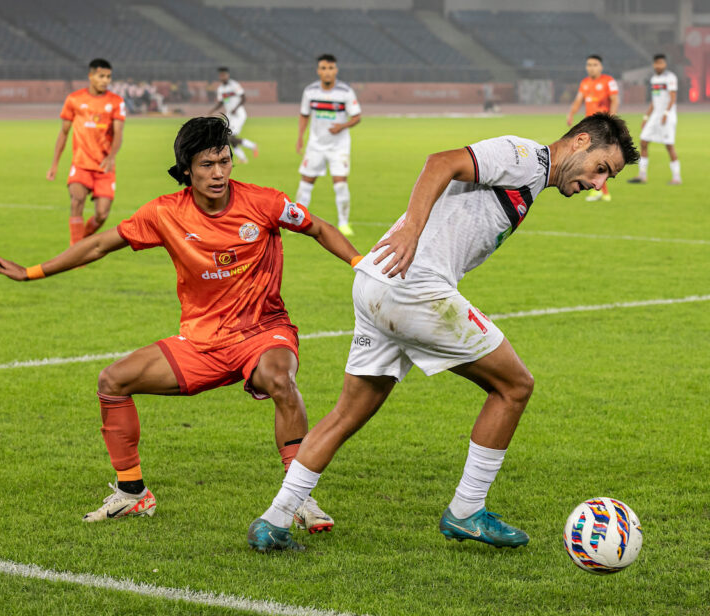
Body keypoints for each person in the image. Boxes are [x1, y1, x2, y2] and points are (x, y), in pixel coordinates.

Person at [247, 113, 639, 553]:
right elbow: (441, 161)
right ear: (581, 141)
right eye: (601, 168)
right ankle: (467, 509)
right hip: (414, 286)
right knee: (514, 386)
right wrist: (412, 228)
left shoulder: (531, 180)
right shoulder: (526, 157)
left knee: (346, 414)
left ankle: (274, 520)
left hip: (378, 282)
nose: (599, 182)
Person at [0, 116, 362, 531]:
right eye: (206, 164)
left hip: (263, 330)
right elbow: (98, 245)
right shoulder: (165, 213)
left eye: (224, 160)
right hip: (201, 341)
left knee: (279, 379)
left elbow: (319, 228)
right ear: (186, 170)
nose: (218, 173)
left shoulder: (264, 202)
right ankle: (133, 494)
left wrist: (360, 264)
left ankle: (298, 499)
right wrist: (32, 272)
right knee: (113, 381)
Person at [47, 58, 126, 246]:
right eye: (101, 76)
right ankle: (75, 251)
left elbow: (118, 133)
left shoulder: (116, 102)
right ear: (91, 76)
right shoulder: (74, 99)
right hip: (81, 164)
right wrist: (55, 164)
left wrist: (111, 157)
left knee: (102, 214)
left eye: (108, 77)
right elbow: (64, 133)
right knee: (77, 200)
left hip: (104, 166)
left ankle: (82, 241)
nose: (105, 80)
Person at [295, 54, 362, 237]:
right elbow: (304, 114)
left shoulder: (345, 92)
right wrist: (300, 137)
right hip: (315, 145)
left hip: (339, 146)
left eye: (330, 68)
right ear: (318, 71)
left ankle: (343, 223)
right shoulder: (310, 91)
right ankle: (296, 221)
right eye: (323, 68)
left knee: (340, 185)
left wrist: (343, 125)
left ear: (336, 70)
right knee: (306, 183)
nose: (327, 72)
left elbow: (357, 117)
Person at [566, 55, 619, 202]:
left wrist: (611, 120)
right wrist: (571, 114)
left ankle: (599, 191)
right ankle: (603, 192)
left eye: (595, 64)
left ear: (601, 67)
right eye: (589, 65)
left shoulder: (608, 81)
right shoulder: (585, 83)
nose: (591, 67)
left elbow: (614, 101)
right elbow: (578, 100)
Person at [628, 54, 682, 185]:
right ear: (654, 64)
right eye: (656, 63)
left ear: (665, 64)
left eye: (661, 63)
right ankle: (642, 175)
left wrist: (666, 113)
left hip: (667, 116)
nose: (659, 65)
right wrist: (646, 117)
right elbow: (654, 100)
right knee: (643, 141)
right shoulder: (654, 79)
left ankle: (677, 177)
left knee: (669, 145)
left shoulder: (670, 78)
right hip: (655, 116)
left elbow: (673, 97)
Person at [209, 67, 258, 163]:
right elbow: (221, 102)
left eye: (224, 75)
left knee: (229, 137)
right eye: (221, 75)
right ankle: (243, 158)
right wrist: (212, 110)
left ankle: (252, 146)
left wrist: (236, 108)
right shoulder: (221, 89)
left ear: (228, 75)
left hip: (239, 114)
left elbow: (243, 98)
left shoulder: (234, 85)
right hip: (230, 116)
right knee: (230, 139)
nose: (222, 76)